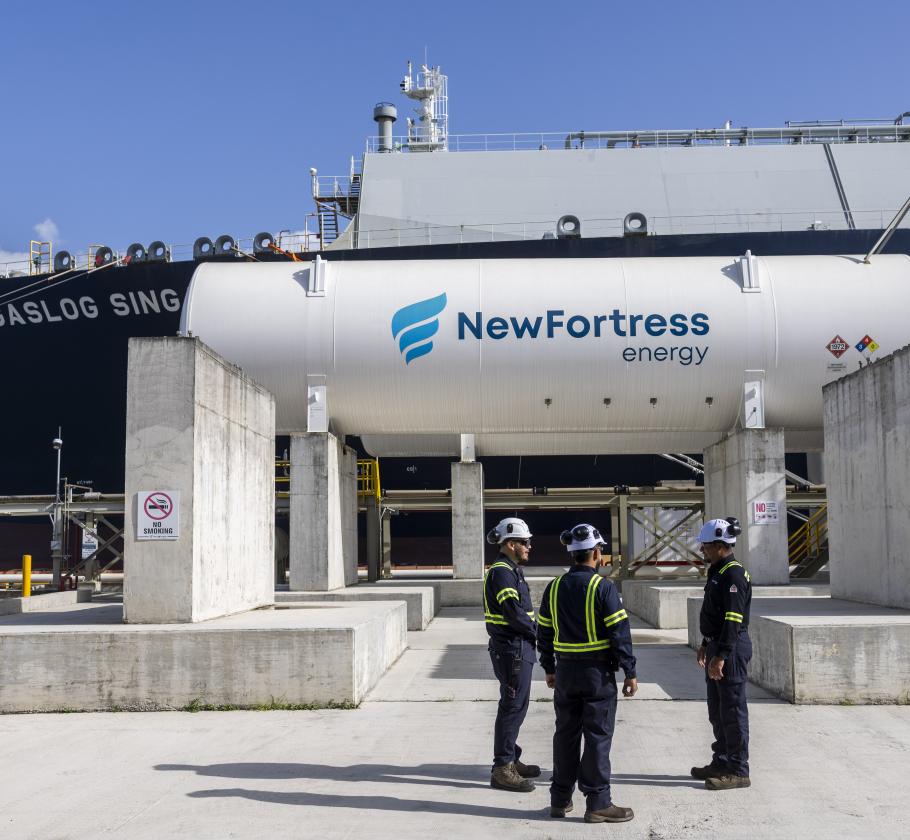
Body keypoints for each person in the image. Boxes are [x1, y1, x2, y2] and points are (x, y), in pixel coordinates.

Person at [537, 523, 638, 823]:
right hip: (596, 675)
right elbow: (619, 632)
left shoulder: (554, 587)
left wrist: (549, 667)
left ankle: (559, 799)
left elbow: (543, 631)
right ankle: (598, 803)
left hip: (565, 673)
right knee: (597, 736)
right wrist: (630, 671)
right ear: (595, 553)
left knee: (565, 735)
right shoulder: (603, 588)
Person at [692, 516, 753, 790]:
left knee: (732, 710)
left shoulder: (733, 574)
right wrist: (707, 643)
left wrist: (721, 656)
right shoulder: (717, 571)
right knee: (717, 710)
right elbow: (715, 614)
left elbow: (732, 620)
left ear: (720, 546)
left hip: (731, 647)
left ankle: (738, 770)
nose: (702, 550)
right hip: (718, 644)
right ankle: (722, 761)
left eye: (705, 546)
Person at [483, 516, 541, 792]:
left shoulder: (510, 569)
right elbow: (513, 613)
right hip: (512, 648)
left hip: (517, 647)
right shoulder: (502, 572)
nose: (529, 546)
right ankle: (502, 769)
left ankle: (511, 758)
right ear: (510, 544)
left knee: (517, 705)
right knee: (512, 706)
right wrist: (538, 633)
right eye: (525, 542)